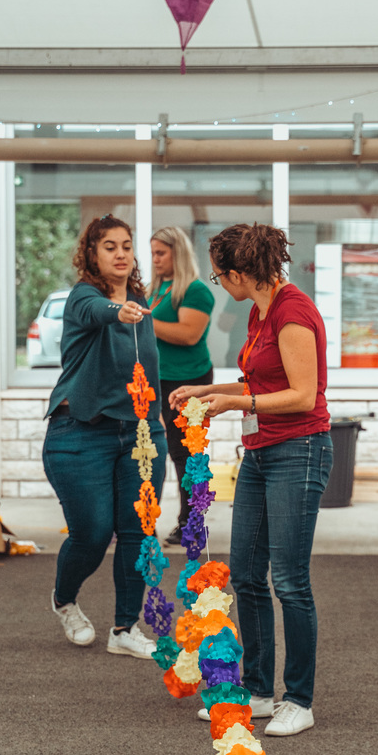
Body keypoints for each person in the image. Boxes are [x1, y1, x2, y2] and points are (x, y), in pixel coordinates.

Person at [169, 223, 333, 737]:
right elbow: (261, 381)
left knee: (289, 580)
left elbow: (303, 394)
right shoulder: (261, 312)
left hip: (299, 450)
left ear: (241, 273)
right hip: (262, 452)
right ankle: (260, 690)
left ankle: (298, 700)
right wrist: (207, 387)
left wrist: (234, 402)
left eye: (220, 278)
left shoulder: (292, 311)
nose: (222, 286)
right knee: (245, 575)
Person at [42, 215, 167, 659]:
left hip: (140, 434)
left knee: (139, 531)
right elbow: (96, 312)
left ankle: (124, 629)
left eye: (127, 246)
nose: (120, 253)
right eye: (109, 246)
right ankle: (64, 598)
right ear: (92, 254)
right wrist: (118, 310)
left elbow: (147, 368)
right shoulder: (83, 298)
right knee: (92, 533)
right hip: (80, 434)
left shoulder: (141, 301)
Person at [147, 226, 215, 546]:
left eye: (161, 253)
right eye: (153, 253)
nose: (155, 259)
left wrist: (144, 319)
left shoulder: (196, 291)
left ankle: (193, 523)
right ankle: (185, 521)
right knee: (170, 450)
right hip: (161, 380)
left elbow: (188, 334)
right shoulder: (157, 289)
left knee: (187, 453)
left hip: (190, 379)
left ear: (179, 253)